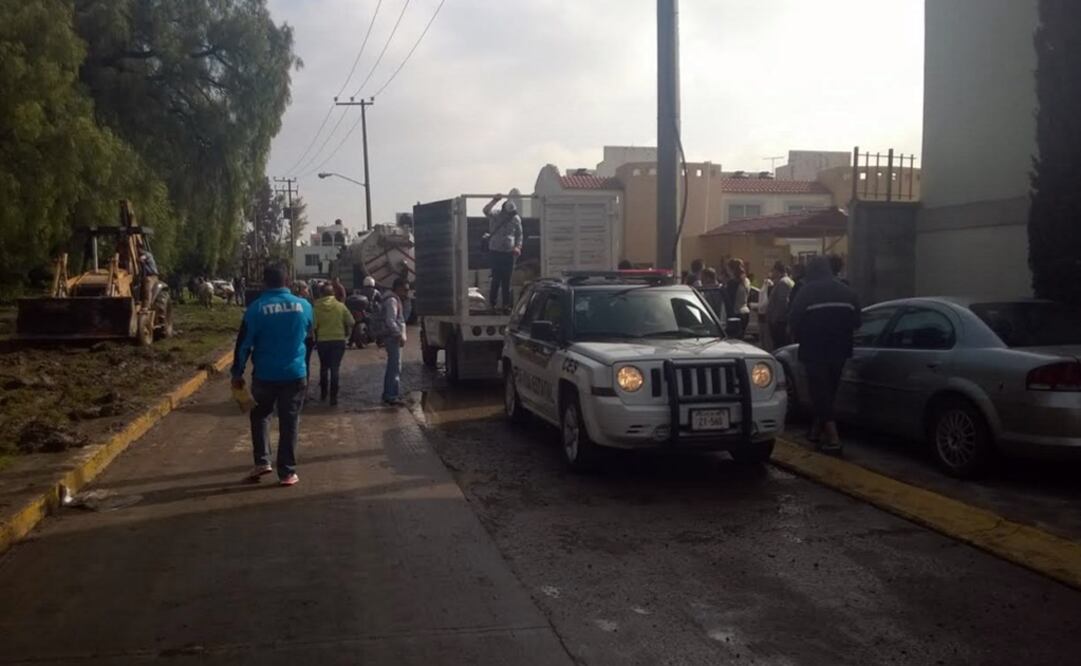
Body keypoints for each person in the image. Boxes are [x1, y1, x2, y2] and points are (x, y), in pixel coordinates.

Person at [230, 264, 314, 486]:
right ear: (287, 281)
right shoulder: (304, 306)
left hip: (265, 375)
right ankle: (287, 472)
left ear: (264, 283)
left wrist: (237, 373)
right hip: (296, 374)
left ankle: (262, 461)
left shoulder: (255, 309)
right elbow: (309, 334)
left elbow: (243, 345)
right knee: (290, 421)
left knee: (260, 416)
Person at [788, 256, 860, 455]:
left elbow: (793, 319)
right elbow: (857, 322)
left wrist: (801, 333)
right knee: (829, 390)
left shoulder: (806, 292)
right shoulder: (847, 291)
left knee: (819, 392)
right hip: (840, 350)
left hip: (814, 350)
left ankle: (834, 439)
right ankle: (815, 431)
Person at [313, 283, 354, 406]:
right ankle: (333, 398)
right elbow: (351, 321)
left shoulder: (316, 307)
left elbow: (314, 325)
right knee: (335, 368)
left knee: (324, 367)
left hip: (323, 342)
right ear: (333, 294)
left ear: (321, 294)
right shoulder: (340, 306)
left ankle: (323, 394)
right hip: (338, 341)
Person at [482, 194, 523, 311]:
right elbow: (485, 210)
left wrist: (518, 246)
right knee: (496, 279)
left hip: (509, 252)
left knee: (507, 280)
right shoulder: (496, 215)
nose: (510, 215)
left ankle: (506, 305)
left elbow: (519, 234)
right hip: (495, 251)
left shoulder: (515, 218)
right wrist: (494, 200)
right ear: (504, 209)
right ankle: (492, 304)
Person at [381, 277, 409, 406]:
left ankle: (389, 393)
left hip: (392, 337)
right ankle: (392, 396)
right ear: (398, 288)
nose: (406, 292)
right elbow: (390, 320)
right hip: (393, 338)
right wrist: (399, 334)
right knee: (395, 367)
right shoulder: (392, 300)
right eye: (405, 289)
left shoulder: (393, 299)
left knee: (393, 367)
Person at [766, 261, 795, 349]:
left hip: (779, 323)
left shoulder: (783, 283)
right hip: (780, 321)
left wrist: (775, 319)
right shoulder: (784, 281)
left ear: (777, 271)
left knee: (779, 347)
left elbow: (782, 303)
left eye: (773, 270)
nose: (772, 273)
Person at [725, 258, 751, 338]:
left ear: (731, 269)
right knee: (741, 337)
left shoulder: (732, 283)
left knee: (733, 339)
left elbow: (729, 301)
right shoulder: (746, 281)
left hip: (736, 313)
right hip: (745, 312)